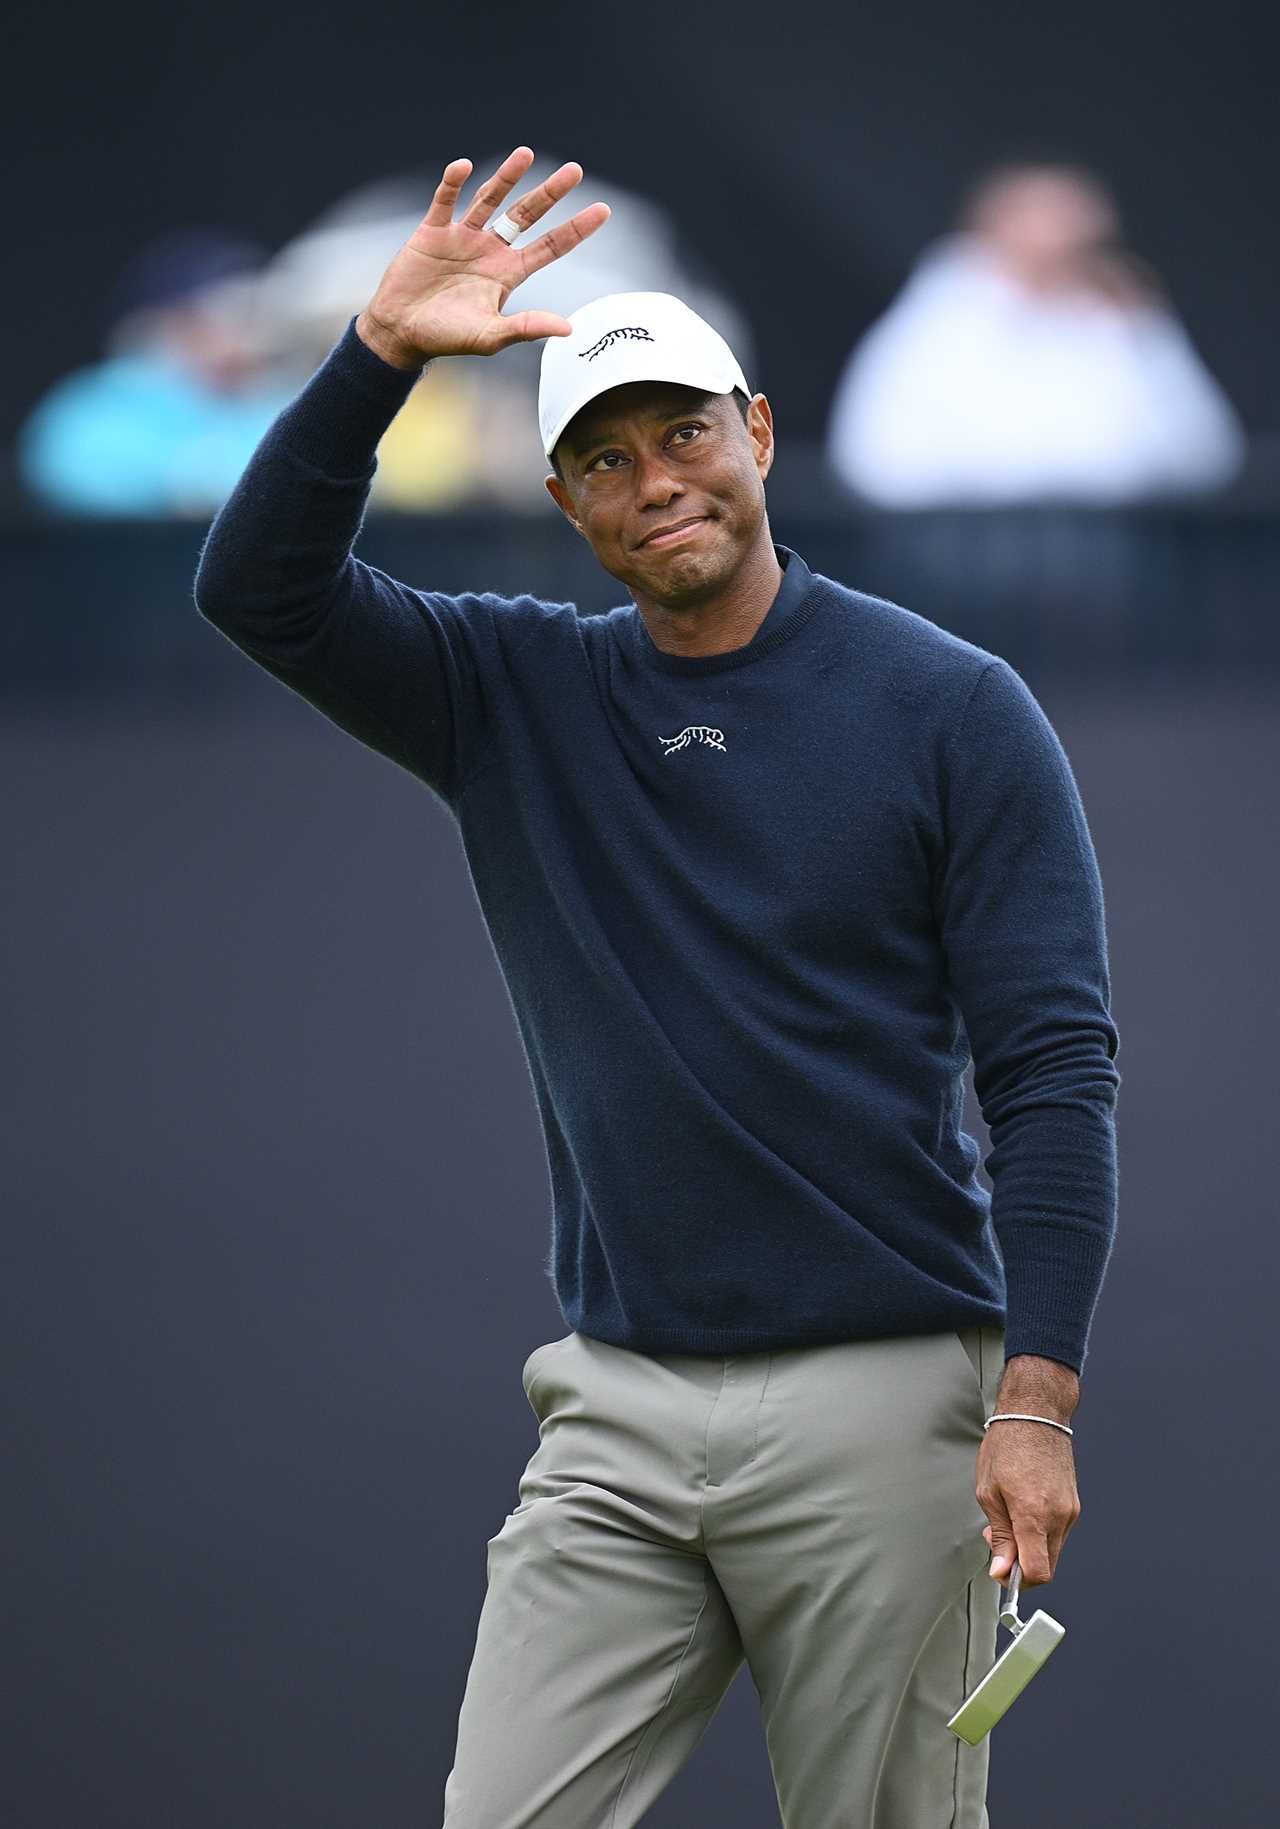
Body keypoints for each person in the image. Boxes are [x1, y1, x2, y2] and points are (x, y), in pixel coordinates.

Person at [194, 148, 1120, 1828]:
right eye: (604, 458)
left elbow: (1053, 1068)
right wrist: (378, 357)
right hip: (615, 1400)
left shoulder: (951, 704)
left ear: (756, 432)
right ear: (568, 504)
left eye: (683, 430)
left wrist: (1033, 1395)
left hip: (888, 1388)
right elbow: (255, 586)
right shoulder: (512, 689)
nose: (655, 478)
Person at [826, 160, 1244, 507]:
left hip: (1109, 569)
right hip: (966, 567)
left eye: (1077, 246)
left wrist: (1145, 334)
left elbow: (1207, 452)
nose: (1058, 258)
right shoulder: (935, 329)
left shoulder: (1117, 324)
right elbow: (874, 459)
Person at [18, 230, 293, 518]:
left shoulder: (277, 398)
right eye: (242, 310)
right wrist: (203, 476)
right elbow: (67, 469)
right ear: (175, 321)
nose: (260, 328)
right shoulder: (101, 402)